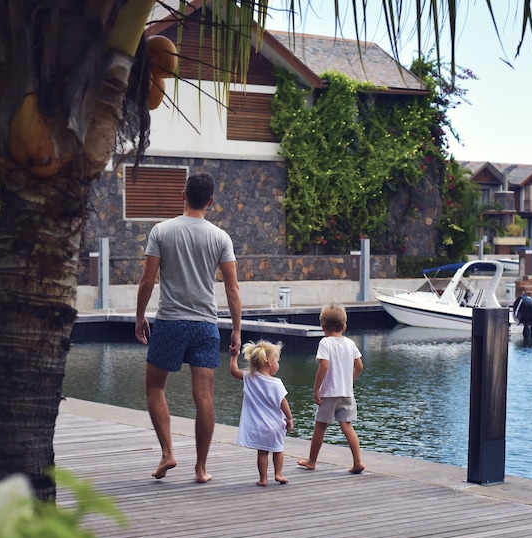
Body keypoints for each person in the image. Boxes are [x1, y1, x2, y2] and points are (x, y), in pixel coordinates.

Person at [135, 171, 242, 483]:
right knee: (204, 398)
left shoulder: (162, 231)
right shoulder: (220, 237)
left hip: (170, 322)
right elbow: (232, 289)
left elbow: (147, 280)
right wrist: (236, 329)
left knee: (155, 387)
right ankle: (201, 469)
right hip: (205, 325)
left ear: (183, 195)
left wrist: (140, 316)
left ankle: (168, 452)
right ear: (210, 201)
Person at [297, 303, 365, 474]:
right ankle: (358, 462)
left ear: (323, 327)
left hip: (329, 393)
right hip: (347, 393)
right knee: (347, 426)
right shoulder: (350, 343)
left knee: (320, 426)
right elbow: (359, 366)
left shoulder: (325, 342)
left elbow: (324, 365)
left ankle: (312, 461)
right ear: (344, 327)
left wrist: (316, 389)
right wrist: (349, 381)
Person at [229, 340, 293, 486]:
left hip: (258, 426)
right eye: (277, 361)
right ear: (269, 361)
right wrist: (289, 418)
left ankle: (263, 479)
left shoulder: (249, 377)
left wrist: (234, 356)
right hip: (275, 425)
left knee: (262, 453)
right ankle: (278, 474)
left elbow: (234, 371)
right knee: (278, 449)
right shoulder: (276, 383)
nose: (278, 364)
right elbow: (283, 402)